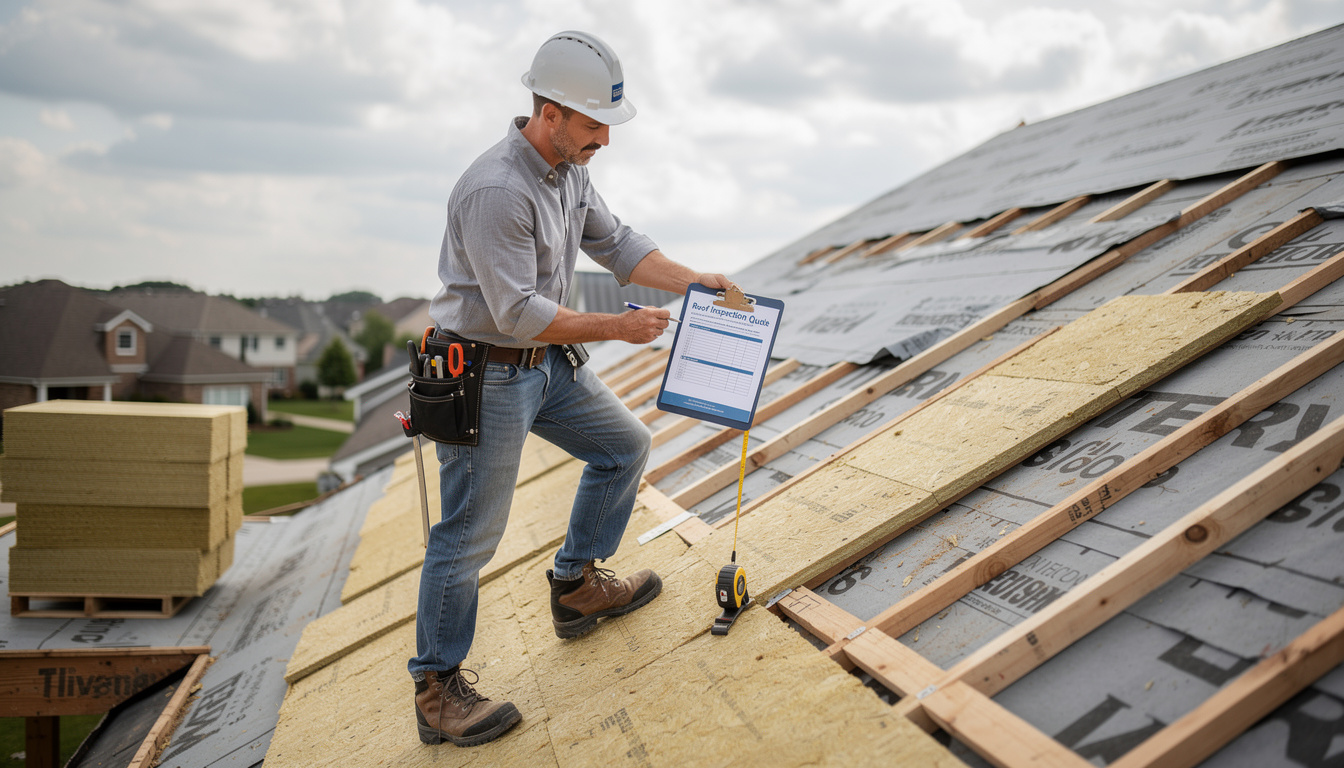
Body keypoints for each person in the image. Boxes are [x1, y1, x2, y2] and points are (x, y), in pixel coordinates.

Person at [410, 30, 736, 748]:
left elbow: (616, 245)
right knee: (468, 537)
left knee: (625, 446)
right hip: (485, 371)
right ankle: (436, 686)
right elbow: (517, 312)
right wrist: (619, 329)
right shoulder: (498, 189)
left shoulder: (569, 170)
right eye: (594, 126)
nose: (604, 142)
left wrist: (696, 281)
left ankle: (576, 585)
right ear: (549, 112)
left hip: (543, 364)